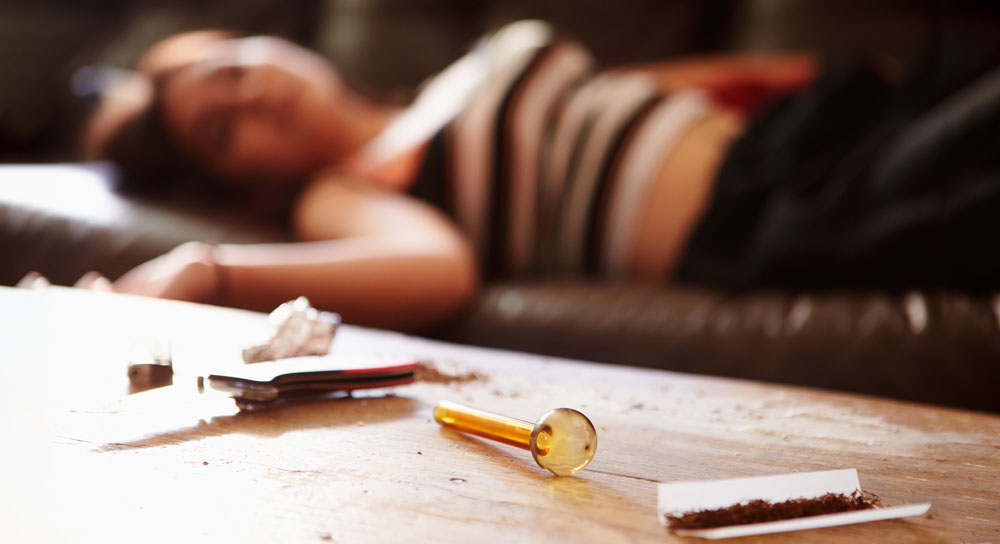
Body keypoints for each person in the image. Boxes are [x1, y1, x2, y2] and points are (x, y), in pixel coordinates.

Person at [79, 20, 1000, 332]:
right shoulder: (344, 188)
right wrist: (206, 270)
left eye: (233, 68)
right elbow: (438, 272)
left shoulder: (446, 85)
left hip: (814, 128)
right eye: (222, 128)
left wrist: (791, 78)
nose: (253, 95)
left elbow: (634, 89)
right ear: (238, 183)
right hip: (780, 209)